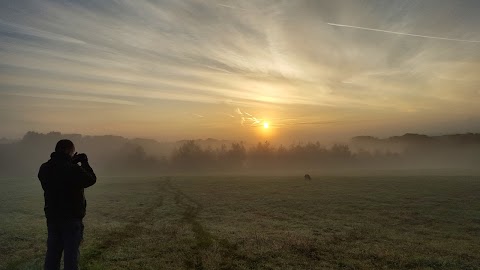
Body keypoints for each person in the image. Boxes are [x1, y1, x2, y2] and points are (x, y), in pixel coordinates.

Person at [38, 139, 97, 270]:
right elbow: (91, 179)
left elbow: (59, 173)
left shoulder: (44, 168)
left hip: (52, 217)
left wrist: (70, 162)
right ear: (68, 151)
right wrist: (84, 162)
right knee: (71, 258)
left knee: (52, 255)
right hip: (71, 218)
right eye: (72, 152)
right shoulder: (73, 169)